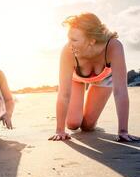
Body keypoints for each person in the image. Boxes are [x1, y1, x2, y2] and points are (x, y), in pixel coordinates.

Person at [49, 12, 139, 142]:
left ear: (92, 40)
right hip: (77, 79)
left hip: (104, 79)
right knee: (73, 124)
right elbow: (64, 94)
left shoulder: (113, 47)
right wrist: (60, 130)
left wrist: (123, 131)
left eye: (74, 40)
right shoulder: (68, 51)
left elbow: (120, 92)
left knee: (87, 126)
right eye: (69, 38)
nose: (69, 44)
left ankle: (91, 121)